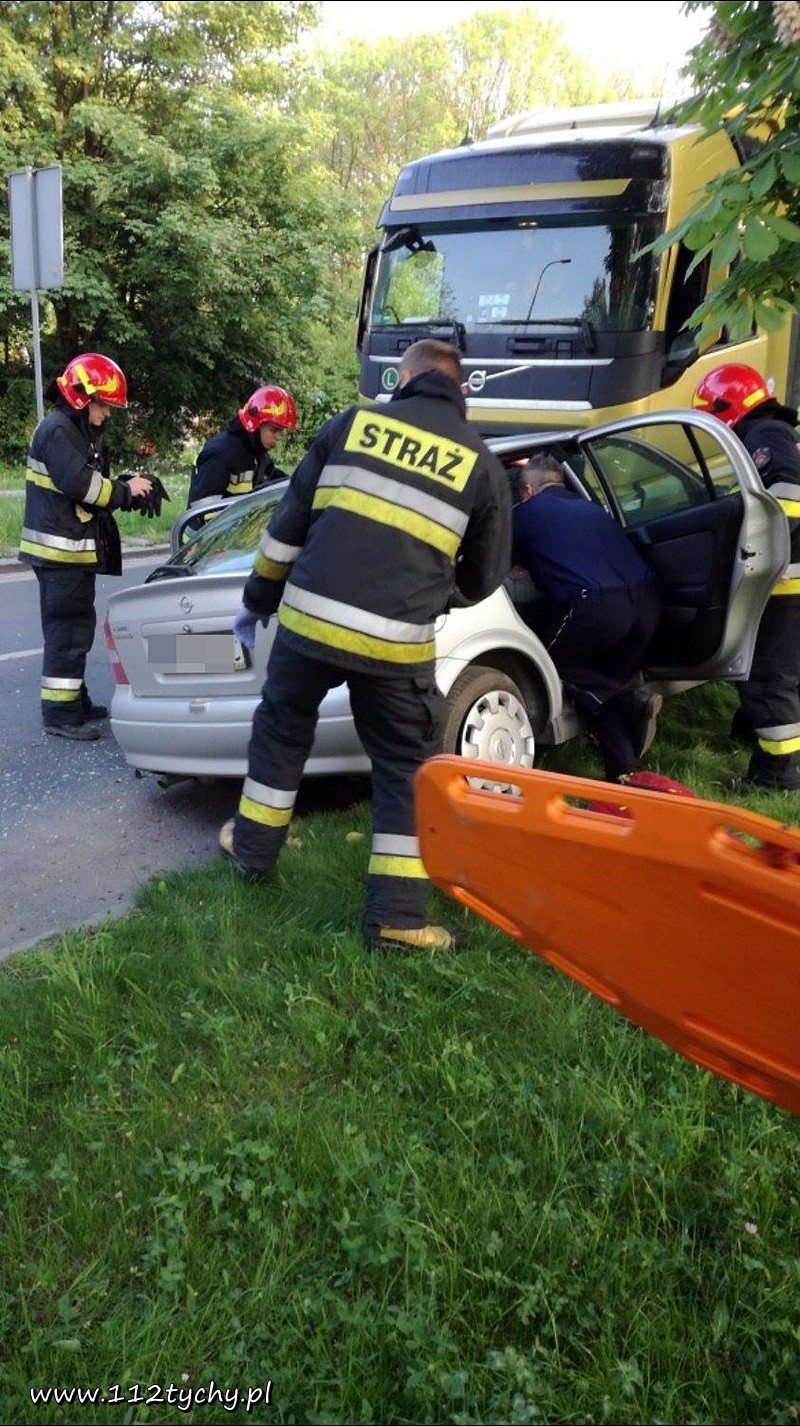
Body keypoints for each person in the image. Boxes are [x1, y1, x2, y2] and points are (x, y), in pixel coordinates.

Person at [218, 339, 512, 952]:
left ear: (404, 379)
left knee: (281, 729)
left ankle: (251, 855)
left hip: (309, 624)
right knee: (405, 766)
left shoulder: (353, 425)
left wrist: (256, 601)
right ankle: (398, 919)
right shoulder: (482, 464)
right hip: (395, 644)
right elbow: (485, 578)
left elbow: (286, 528)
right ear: (461, 389)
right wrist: (431, 595)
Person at [19, 352, 153, 742]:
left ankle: (74, 701)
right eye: (104, 404)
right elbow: (82, 485)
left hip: (70, 554)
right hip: (60, 555)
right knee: (68, 632)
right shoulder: (59, 431)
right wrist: (125, 492)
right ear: (82, 397)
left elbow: (87, 483)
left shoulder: (71, 430)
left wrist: (126, 485)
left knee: (78, 627)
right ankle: (60, 713)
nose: (108, 413)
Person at [511, 453, 662, 783]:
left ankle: (630, 701)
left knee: (547, 665)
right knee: (595, 686)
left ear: (527, 490)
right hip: (647, 604)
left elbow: (497, 568)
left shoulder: (525, 514)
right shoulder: (592, 508)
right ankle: (625, 771)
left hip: (598, 608)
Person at [693, 363, 800, 791]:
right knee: (784, 674)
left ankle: (777, 777)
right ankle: (754, 734)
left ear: (727, 406)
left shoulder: (765, 437)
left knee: (771, 680)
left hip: (787, 582)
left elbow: (789, 500)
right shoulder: (770, 432)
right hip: (790, 579)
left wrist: (764, 553)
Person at [187, 384, 297, 508]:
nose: (278, 437)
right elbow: (203, 508)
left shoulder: (256, 453)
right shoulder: (220, 453)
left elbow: (275, 479)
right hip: (207, 527)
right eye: (273, 430)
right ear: (256, 425)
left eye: (280, 431)